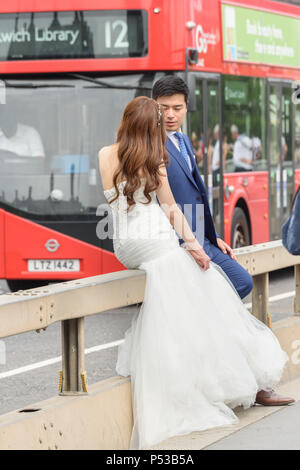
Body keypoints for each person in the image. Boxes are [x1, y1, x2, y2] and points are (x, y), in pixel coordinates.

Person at [98, 96, 294, 450]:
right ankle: (236, 377)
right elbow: (170, 208)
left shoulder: (104, 155)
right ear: (151, 127)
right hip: (157, 240)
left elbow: (117, 204)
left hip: (125, 246)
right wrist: (195, 245)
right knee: (207, 289)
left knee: (182, 294)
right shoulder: (156, 158)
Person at [152, 76, 252, 299]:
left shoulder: (184, 140)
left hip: (202, 237)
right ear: (153, 107)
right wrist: (190, 243)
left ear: (187, 107)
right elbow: (164, 202)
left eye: (177, 108)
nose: (170, 114)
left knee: (241, 283)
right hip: (178, 243)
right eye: (163, 108)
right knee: (233, 286)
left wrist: (213, 235)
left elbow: (194, 194)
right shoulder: (150, 144)